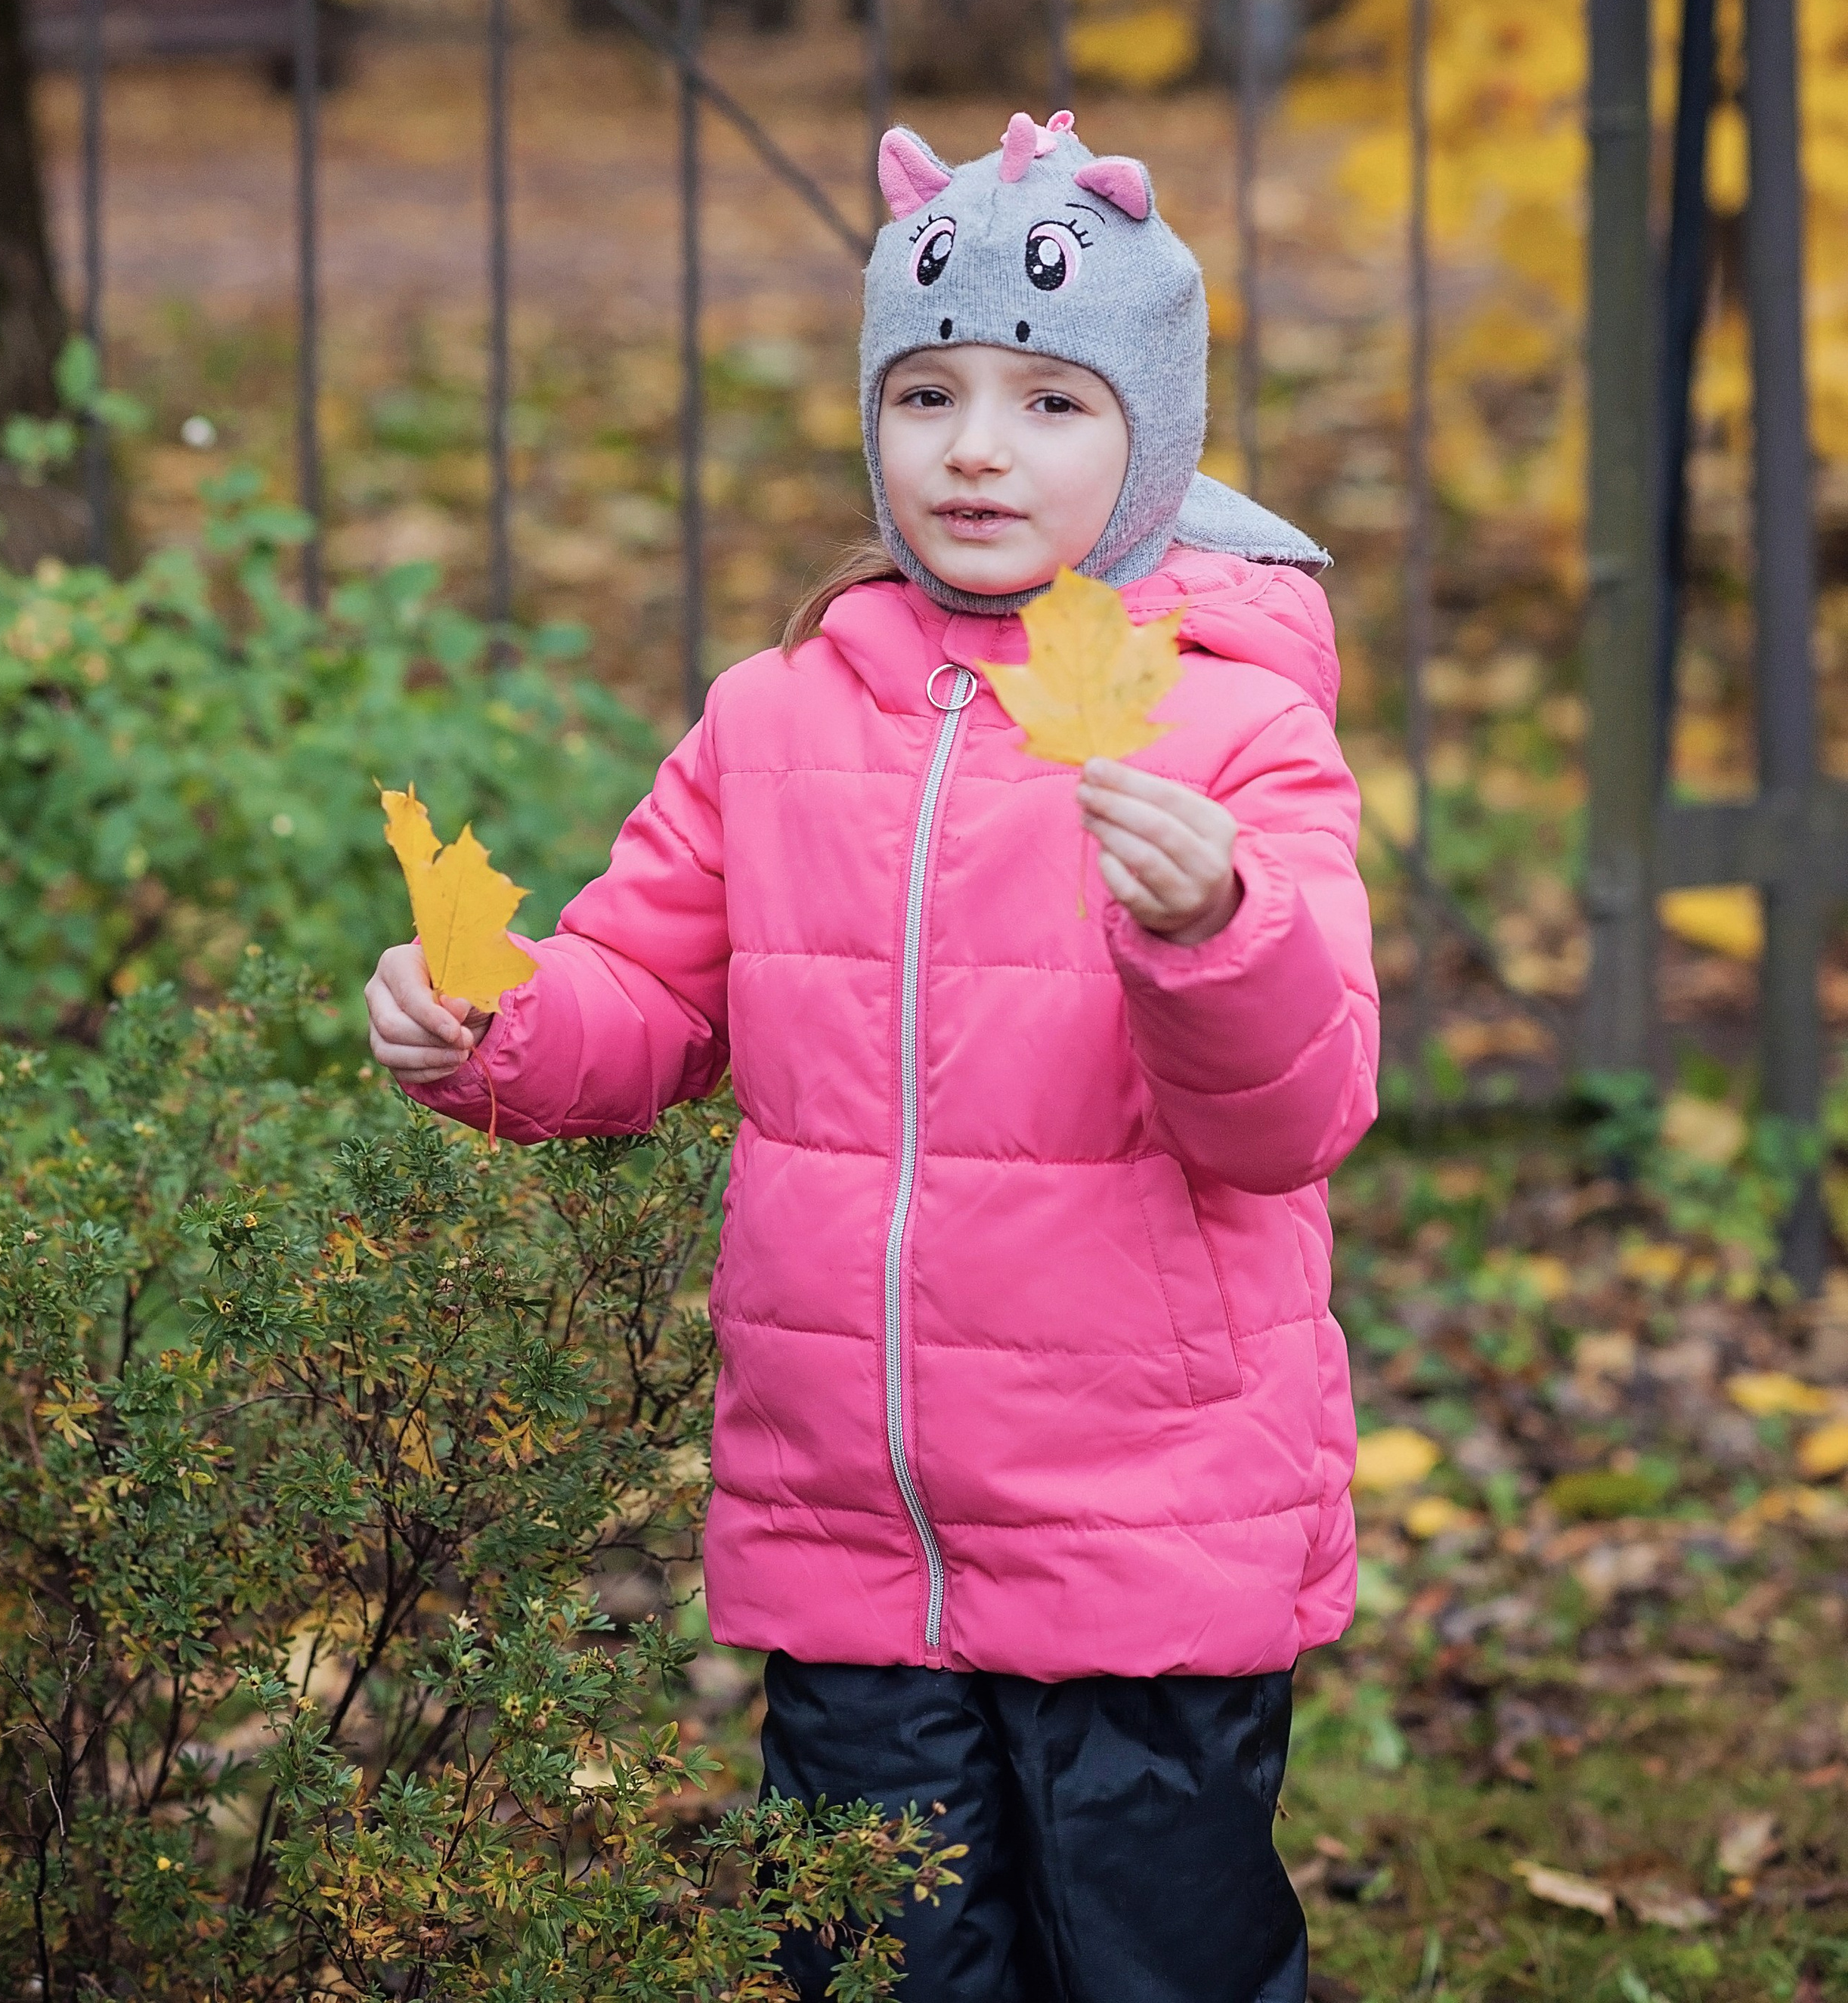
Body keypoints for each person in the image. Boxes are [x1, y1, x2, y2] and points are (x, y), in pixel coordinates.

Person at [366, 106, 1378, 2003]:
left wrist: (1209, 928)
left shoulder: (1226, 734)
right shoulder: (774, 712)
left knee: (1156, 1963)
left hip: (1138, 1529)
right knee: (876, 1962)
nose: (976, 445)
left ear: (1148, 440)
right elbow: (647, 996)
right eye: (924, 393)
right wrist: (490, 1018)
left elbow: (1293, 1107)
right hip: (848, 1530)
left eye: (1047, 400)